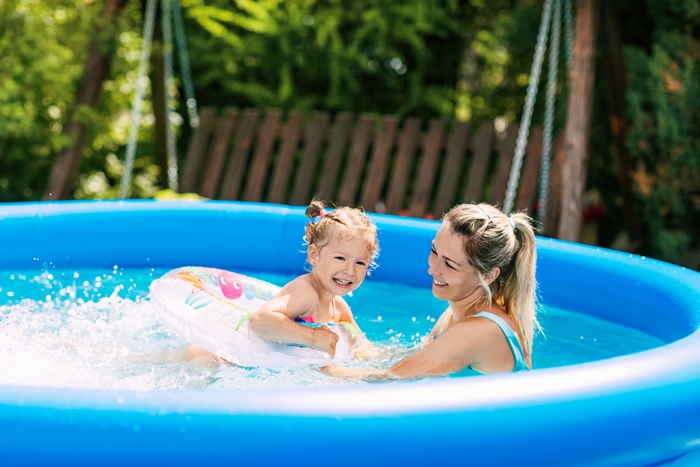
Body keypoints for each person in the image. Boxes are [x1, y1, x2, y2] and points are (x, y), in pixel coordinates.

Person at [323, 202, 539, 379]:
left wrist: (316, 368)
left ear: (488, 275)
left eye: (451, 265)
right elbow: (405, 359)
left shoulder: (477, 330)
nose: (432, 268)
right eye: (434, 251)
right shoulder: (461, 315)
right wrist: (348, 328)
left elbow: (389, 379)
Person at [185, 199, 378, 362]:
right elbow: (259, 320)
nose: (350, 270)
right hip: (215, 358)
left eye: (360, 262)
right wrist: (313, 337)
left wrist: (370, 354)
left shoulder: (339, 308)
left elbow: (363, 345)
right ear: (314, 255)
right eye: (340, 258)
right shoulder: (306, 294)